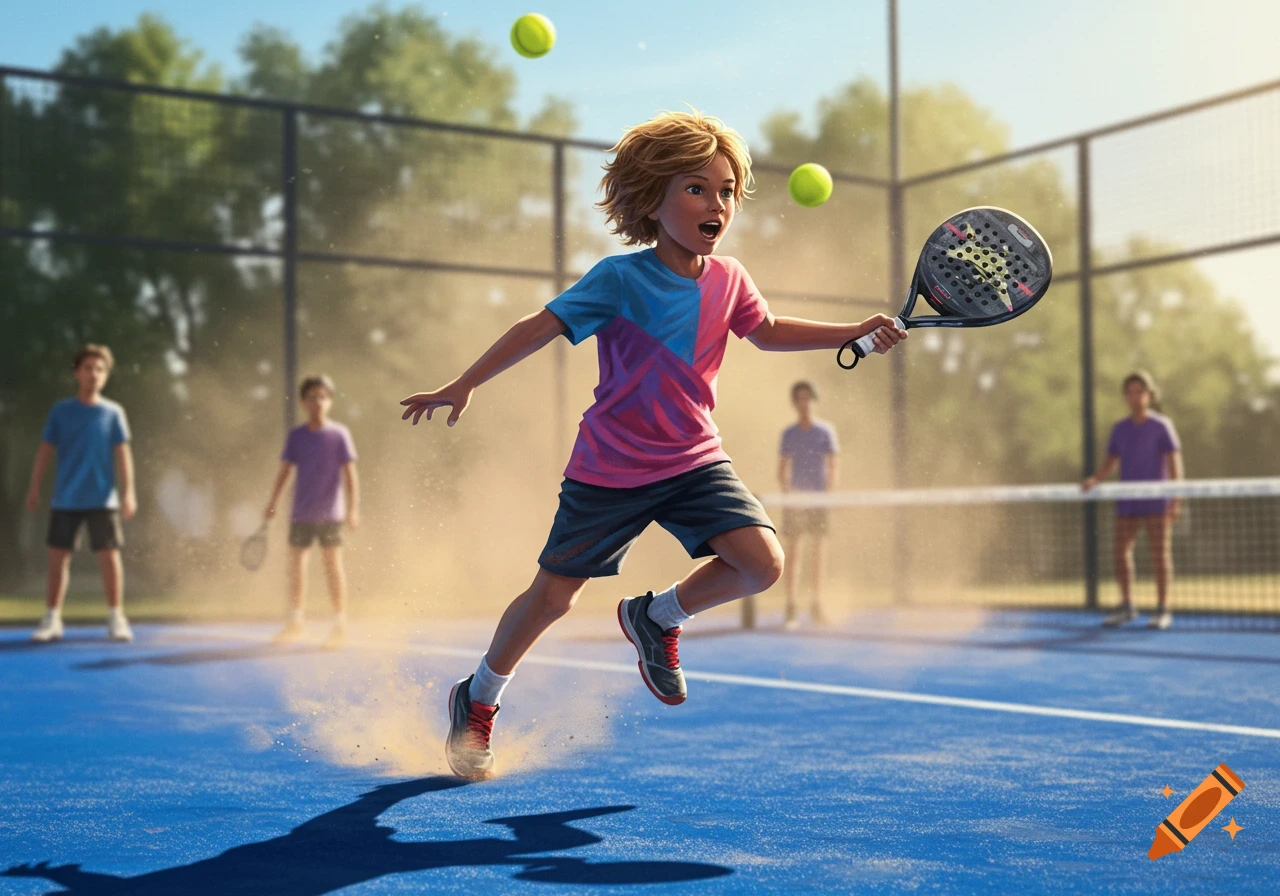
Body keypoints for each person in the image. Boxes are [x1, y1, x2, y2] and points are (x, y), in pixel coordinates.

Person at [400, 109, 906, 781]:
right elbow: (537, 327)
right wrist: (465, 383)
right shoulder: (618, 278)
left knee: (762, 563)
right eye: (697, 188)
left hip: (695, 460)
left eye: (726, 191)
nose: (716, 204)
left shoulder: (731, 280)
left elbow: (769, 330)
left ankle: (655, 616)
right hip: (610, 468)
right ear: (652, 199)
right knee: (553, 599)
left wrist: (854, 331)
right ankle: (479, 696)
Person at [25, 344, 137, 643]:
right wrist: (34, 487)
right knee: (58, 558)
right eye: (88, 368)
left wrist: (129, 494)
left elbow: (123, 454)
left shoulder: (113, 412)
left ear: (106, 375)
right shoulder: (61, 412)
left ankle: (116, 617)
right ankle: (52, 618)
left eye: (100, 369)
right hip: (66, 499)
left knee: (110, 557)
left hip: (103, 500)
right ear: (76, 373)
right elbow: (44, 452)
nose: (94, 374)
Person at [263, 375, 360, 649]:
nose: (318, 401)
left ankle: (340, 625)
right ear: (303, 402)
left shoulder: (339, 434)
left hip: (331, 515)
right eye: (312, 397)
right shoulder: (297, 436)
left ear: (329, 401)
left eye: (323, 396)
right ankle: (296, 623)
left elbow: (350, 474)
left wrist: (353, 509)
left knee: (332, 567)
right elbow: (285, 471)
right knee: (296, 568)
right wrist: (272, 502)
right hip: (301, 513)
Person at [1082, 370, 1183, 630]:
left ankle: (1162, 609)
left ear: (1149, 395)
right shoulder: (1120, 429)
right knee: (1120, 552)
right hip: (1127, 501)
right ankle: (1127, 605)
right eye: (1130, 392)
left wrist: (1176, 497)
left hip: (1156, 502)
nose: (1135, 397)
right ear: (1125, 396)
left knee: (1160, 555)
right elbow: (1110, 462)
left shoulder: (1162, 426)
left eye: (1140, 391)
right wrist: (1095, 479)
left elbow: (1174, 463)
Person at [778, 380, 838, 628]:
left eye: (807, 398)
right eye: (799, 398)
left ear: (814, 400)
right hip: (795, 502)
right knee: (792, 553)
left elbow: (833, 466)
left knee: (818, 553)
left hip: (819, 501)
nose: (804, 403)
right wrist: (791, 495)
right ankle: (791, 606)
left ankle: (817, 604)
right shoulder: (789, 434)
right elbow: (782, 470)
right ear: (795, 403)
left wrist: (827, 495)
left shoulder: (825, 432)